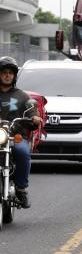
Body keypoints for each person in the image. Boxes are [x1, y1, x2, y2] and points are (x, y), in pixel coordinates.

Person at [0, 56, 42, 209]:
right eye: (4, 72)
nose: (7, 75)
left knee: (22, 152)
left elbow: (32, 109)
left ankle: (21, 189)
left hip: (15, 136)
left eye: (10, 73)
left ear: (14, 76)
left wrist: (35, 117)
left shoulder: (21, 96)